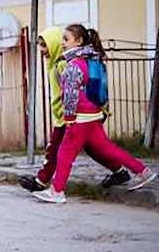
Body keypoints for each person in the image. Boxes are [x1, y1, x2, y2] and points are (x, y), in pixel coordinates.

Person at [32, 24, 157, 203]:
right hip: (94, 115)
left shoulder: (72, 65)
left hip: (80, 118)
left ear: (79, 41)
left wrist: (69, 118)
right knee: (110, 149)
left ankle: (57, 191)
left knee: (64, 155)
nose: (63, 44)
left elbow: (70, 96)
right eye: (62, 40)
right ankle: (143, 172)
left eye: (66, 40)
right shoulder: (93, 60)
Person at [19, 26, 127, 193]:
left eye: (44, 45)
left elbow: (71, 92)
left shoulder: (64, 64)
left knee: (56, 149)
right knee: (93, 149)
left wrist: (69, 115)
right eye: (40, 45)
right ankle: (120, 171)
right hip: (70, 115)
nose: (42, 50)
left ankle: (42, 181)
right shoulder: (55, 63)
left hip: (72, 116)